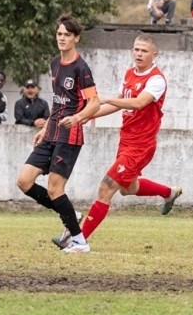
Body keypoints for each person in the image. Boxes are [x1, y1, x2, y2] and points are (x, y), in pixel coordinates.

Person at [53, 35, 182, 251]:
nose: (139, 54)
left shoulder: (156, 79)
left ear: (154, 55)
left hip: (141, 145)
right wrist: (85, 116)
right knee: (127, 188)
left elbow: (139, 103)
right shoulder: (130, 73)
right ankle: (169, 192)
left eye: (144, 51)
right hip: (126, 140)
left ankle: (79, 240)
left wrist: (106, 98)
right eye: (136, 49)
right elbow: (120, 103)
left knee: (107, 187)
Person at [15, 14, 100, 254]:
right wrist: (44, 128)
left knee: (54, 188)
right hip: (51, 132)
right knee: (24, 181)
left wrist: (78, 118)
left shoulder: (81, 68)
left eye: (67, 35)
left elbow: (94, 102)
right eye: (59, 34)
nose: (62, 38)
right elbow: (57, 103)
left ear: (76, 38)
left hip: (70, 136)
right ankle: (71, 214)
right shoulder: (54, 63)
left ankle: (79, 241)